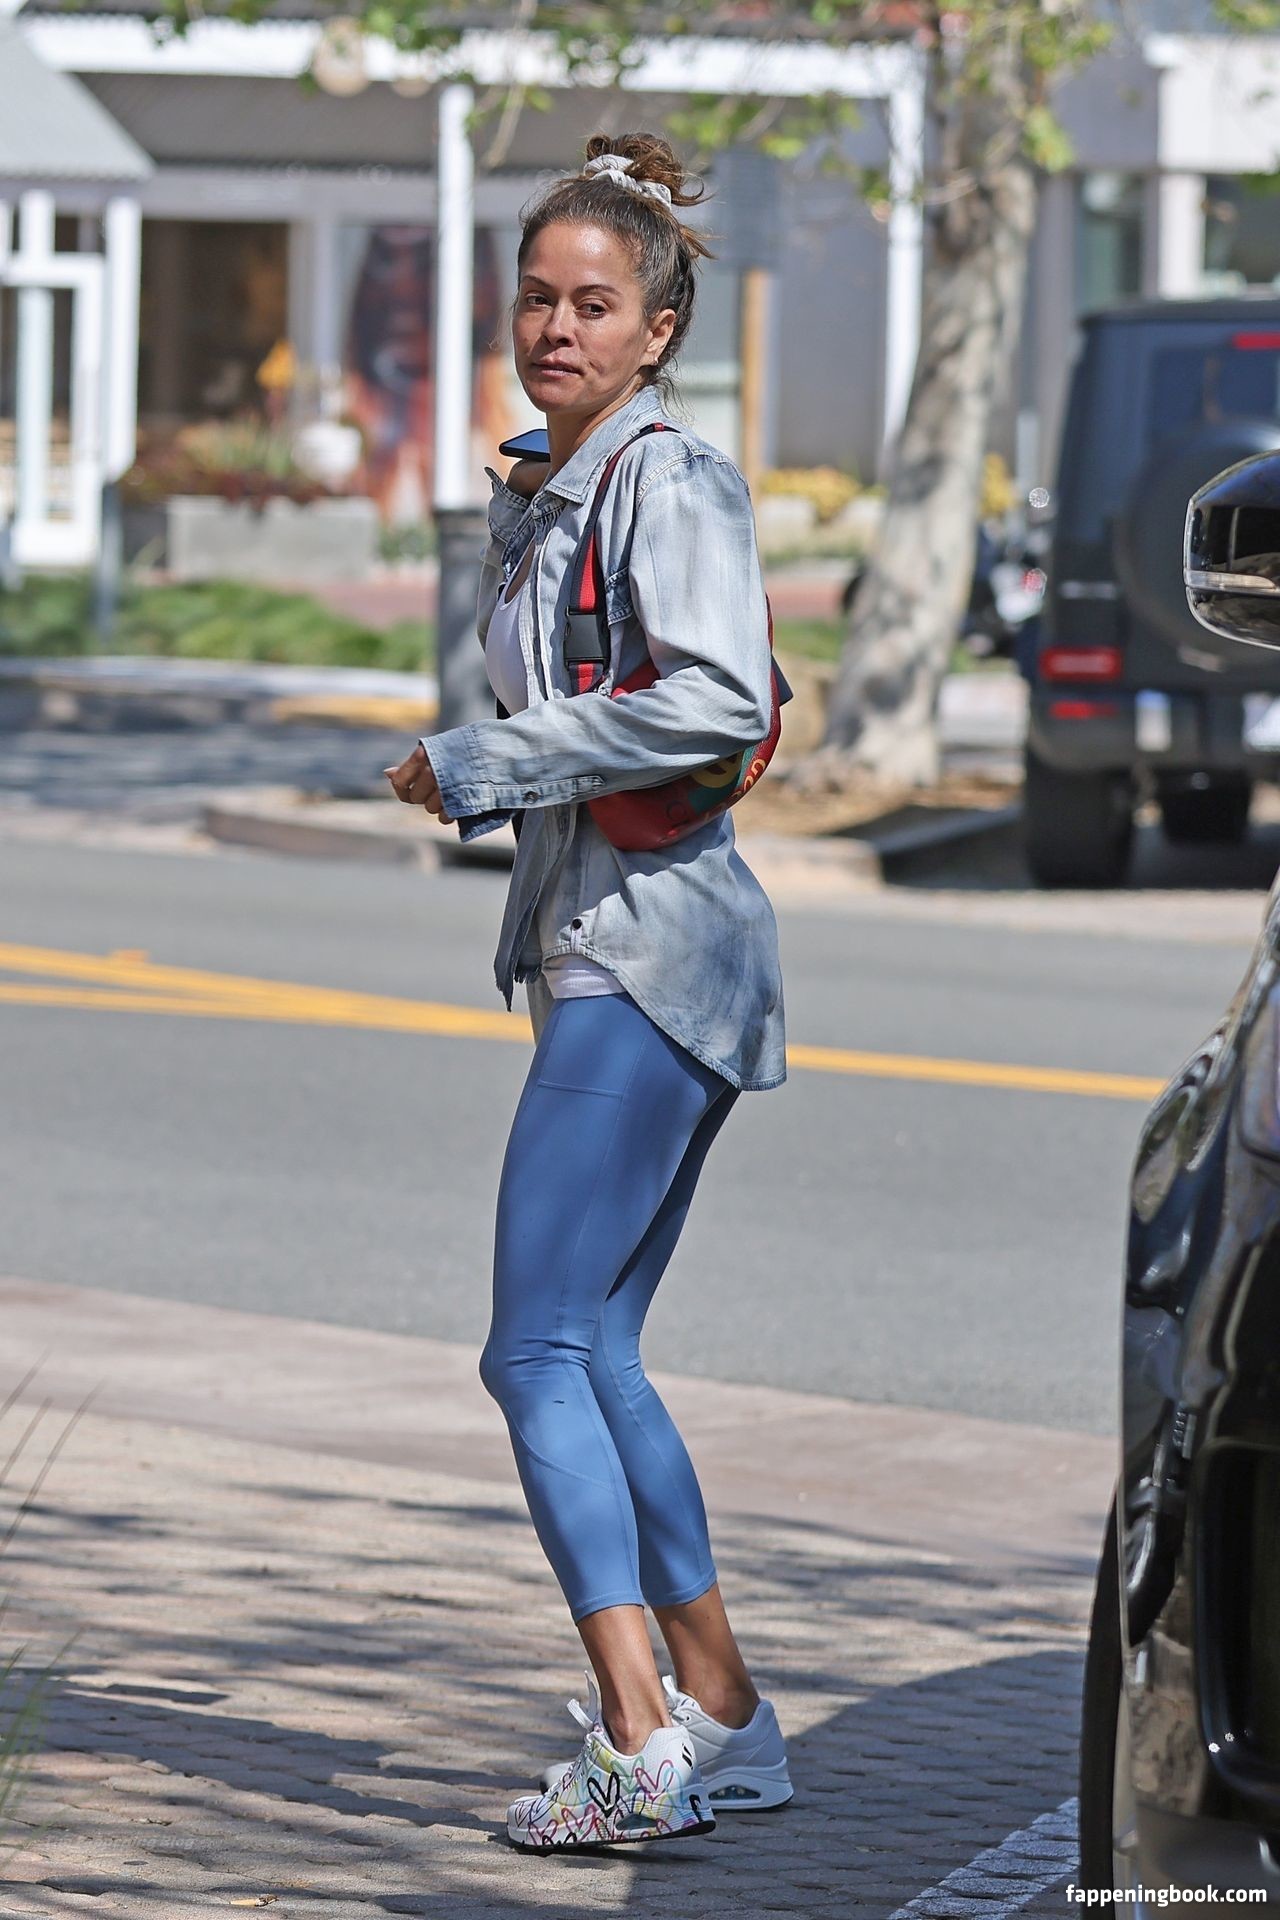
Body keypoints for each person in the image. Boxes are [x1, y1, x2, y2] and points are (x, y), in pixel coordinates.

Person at [383, 130, 792, 1854]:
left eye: (596, 304)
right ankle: (728, 1717)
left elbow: (713, 698)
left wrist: (481, 760)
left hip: (652, 953)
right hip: (609, 948)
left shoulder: (667, 480)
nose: (557, 328)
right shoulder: (553, 485)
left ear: (659, 325)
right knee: (600, 1347)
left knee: (532, 1348)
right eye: (538, 298)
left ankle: (638, 1742)